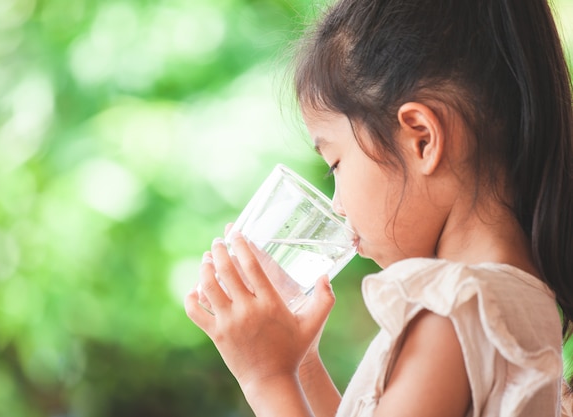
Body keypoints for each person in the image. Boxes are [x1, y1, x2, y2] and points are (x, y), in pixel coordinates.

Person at [185, 0, 573, 415]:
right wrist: (302, 368)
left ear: (421, 139)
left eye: (335, 163)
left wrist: (267, 379)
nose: (336, 204)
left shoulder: (452, 314)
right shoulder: (515, 304)